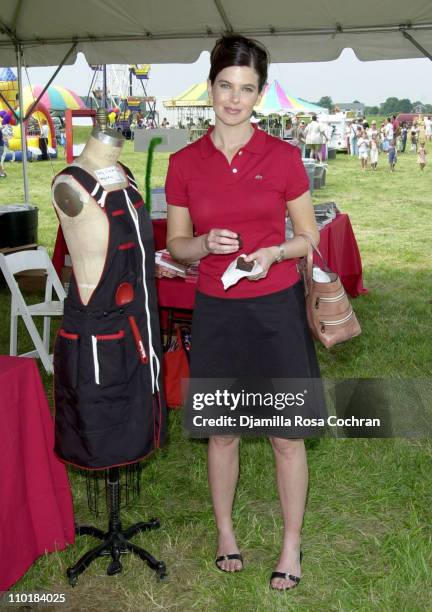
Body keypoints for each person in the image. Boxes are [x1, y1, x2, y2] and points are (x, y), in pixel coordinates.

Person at [165, 33, 324, 592]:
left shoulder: (282, 157)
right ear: (211, 87)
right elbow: (177, 245)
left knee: (286, 436)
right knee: (223, 432)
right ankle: (226, 533)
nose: (234, 98)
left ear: (260, 95)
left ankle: (290, 544)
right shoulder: (184, 162)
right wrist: (205, 244)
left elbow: (309, 238)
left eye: (247, 89)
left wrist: (274, 251)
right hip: (217, 311)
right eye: (226, 86)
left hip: (276, 308)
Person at [51, 109, 166, 470]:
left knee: (136, 410)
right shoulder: (70, 186)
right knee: (104, 423)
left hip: (139, 321)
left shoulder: (126, 178)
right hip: (97, 328)